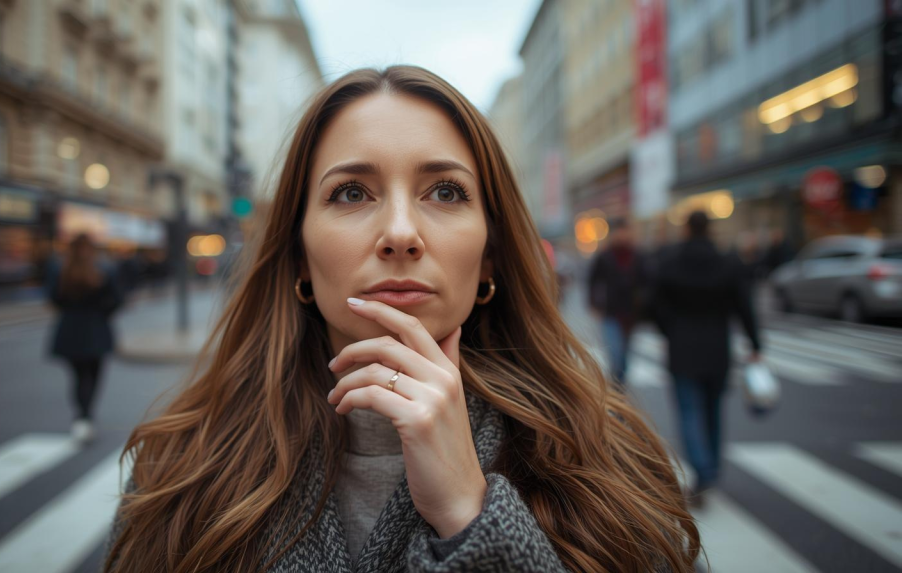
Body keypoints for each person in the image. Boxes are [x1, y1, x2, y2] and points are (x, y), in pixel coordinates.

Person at [102, 67, 699, 573]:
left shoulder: (609, 462)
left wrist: (469, 512)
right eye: (351, 194)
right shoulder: (181, 469)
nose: (400, 234)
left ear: (490, 251)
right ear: (299, 255)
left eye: (444, 192)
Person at [655, 211, 763, 507]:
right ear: (710, 229)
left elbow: (655, 303)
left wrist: (669, 330)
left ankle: (702, 471)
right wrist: (755, 343)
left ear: (688, 229)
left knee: (689, 411)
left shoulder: (671, 262)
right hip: (717, 346)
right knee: (714, 411)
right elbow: (744, 304)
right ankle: (711, 469)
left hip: (682, 345)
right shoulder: (727, 262)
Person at [48, 234, 123, 444]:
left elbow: (53, 298)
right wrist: (102, 315)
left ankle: (82, 416)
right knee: (94, 375)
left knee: (78, 376)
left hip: (70, 329)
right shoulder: (104, 269)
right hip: (96, 329)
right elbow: (116, 300)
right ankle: (85, 416)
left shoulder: (60, 270)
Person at [587, 218, 646, 385]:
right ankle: (617, 390)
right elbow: (593, 281)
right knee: (616, 355)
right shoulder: (605, 257)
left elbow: (646, 281)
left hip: (630, 314)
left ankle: (619, 388)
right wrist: (594, 303)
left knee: (625, 356)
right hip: (610, 312)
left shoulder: (637, 256)